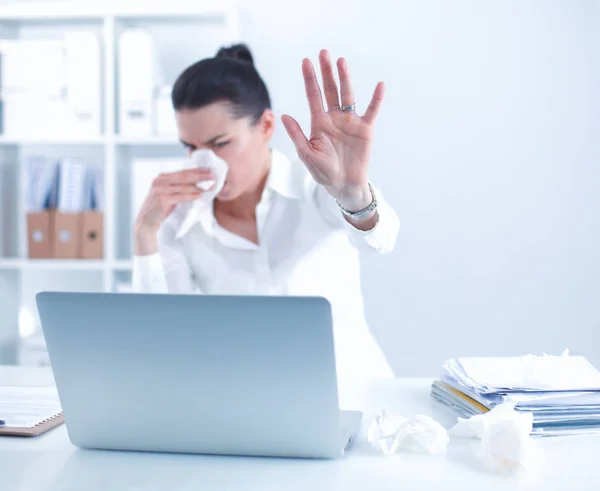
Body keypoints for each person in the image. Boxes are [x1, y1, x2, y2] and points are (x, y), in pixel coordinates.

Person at [132, 44, 400, 380]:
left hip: (352, 388)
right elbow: (163, 338)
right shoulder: (180, 219)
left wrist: (354, 195)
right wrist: (145, 234)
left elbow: (381, 240)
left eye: (220, 144)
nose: (204, 163)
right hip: (252, 403)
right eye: (191, 148)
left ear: (266, 126)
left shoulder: (314, 186)